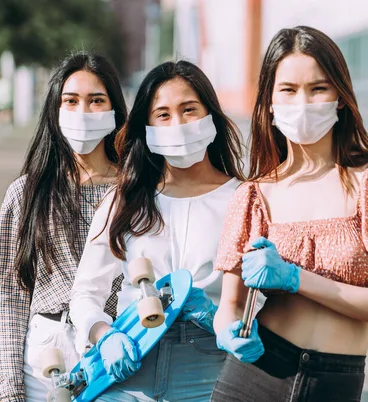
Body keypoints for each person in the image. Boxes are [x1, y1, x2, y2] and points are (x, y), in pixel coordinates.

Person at [211, 26, 368, 402]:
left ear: (341, 97)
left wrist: (296, 278)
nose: (303, 102)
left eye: (318, 88)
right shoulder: (254, 194)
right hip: (255, 372)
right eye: (289, 90)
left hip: (335, 380)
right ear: (268, 100)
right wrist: (228, 330)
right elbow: (229, 304)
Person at [69, 60, 245, 401]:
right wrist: (104, 335)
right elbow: (86, 293)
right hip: (130, 361)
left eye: (189, 109)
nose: (177, 123)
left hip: (208, 366)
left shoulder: (243, 198)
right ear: (146, 127)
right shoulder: (125, 199)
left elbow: (262, 300)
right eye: (163, 114)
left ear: (211, 116)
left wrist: (217, 316)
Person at [0, 52, 126, 402]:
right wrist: (7, 388)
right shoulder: (28, 193)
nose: (83, 112)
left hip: (116, 347)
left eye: (96, 100)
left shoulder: (135, 192)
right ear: (56, 110)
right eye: (71, 100)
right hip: (46, 354)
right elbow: (7, 295)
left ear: (114, 110)